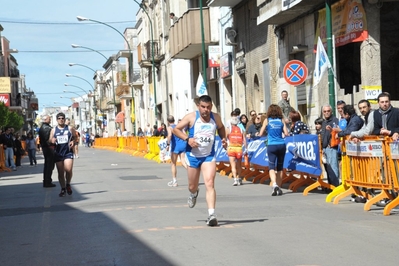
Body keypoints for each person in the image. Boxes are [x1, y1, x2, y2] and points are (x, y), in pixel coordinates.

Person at [172, 95, 227, 226]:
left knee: (209, 183)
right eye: (203, 107)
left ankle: (211, 214)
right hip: (193, 156)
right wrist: (188, 139)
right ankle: (194, 193)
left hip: (208, 156)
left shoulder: (216, 117)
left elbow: (221, 128)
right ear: (198, 106)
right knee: (192, 186)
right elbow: (176, 129)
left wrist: (223, 138)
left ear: (211, 107)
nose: (205, 110)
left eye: (208, 107)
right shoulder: (191, 117)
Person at [258, 104, 289, 196]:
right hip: (281, 144)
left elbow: (260, 133)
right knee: (280, 167)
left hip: (271, 145)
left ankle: (274, 184)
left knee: (271, 166)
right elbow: (286, 133)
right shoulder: (281, 120)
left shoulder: (267, 120)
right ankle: (278, 188)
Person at [49, 112, 76, 197]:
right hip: (58, 153)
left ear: (64, 119)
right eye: (59, 118)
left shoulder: (70, 128)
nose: (61, 120)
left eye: (62, 118)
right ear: (57, 120)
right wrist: (52, 140)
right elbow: (50, 140)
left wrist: (73, 141)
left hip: (68, 152)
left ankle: (68, 184)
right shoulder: (53, 130)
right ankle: (63, 188)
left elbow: (75, 137)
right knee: (61, 173)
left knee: (68, 170)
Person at [320, 104, 340, 187]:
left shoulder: (335, 120)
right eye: (325, 111)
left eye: (328, 111)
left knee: (333, 168)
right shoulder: (324, 122)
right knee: (327, 168)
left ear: (331, 111)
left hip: (331, 147)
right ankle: (330, 186)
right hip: (325, 148)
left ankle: (335, 186)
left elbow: (337, 131)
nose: (326, 113)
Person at [166, 115, 187, 187]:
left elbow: (169, 135)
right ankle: (193, 174)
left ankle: (174, 181)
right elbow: (184, 134)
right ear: (174, 120)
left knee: (173, 163)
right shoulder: (179, 126)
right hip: (182, 144)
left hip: (175, 146)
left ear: (168, 121)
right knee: (183, 162)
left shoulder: (169, 127)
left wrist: (168, 144)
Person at [227, 111, 247, 186]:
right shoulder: (241, 129)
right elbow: (244, 139)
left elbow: (225, 138)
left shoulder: (228, 129)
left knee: (233, 165)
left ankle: (235, 179)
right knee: (239, 165)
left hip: (231, 148)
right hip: (239, 148)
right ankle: (239, 178)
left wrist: (225, 146)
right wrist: (246, 148)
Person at [39, 115, 56, 187]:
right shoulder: (46, 128)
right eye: (49, 119)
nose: (50, 120)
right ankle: (47, 181)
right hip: (49, 148)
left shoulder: (43, 127)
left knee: (48, 165)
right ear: (45, 120)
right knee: (49, 165)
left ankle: (47, 180)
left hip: (46, 148)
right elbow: (48, 140)